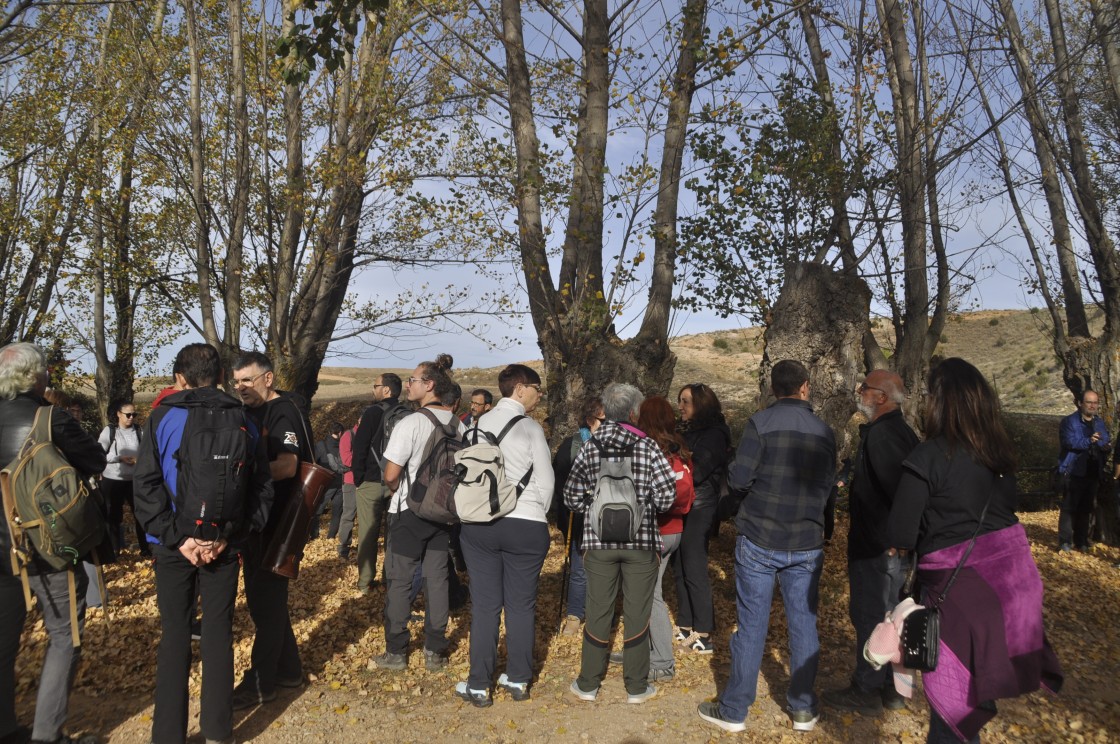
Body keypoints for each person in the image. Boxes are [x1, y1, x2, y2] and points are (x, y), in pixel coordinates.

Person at [886, 358, 1063, 743]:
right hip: (1012, 590)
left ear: (940, 402)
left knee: (951, 715)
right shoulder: (999, 457)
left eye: (930, 394)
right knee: (969, 697)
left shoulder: (928, 457)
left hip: (961, 595)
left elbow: (900, 530)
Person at [133, 343, 273, 744]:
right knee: (217, 634)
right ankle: (217, 731)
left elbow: (145, 485)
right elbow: (261, 488)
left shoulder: (163, 415)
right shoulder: (244, 418)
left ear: (180, 377)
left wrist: (178, 538)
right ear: (221, 376)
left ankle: (168, 735)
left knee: (175, 633)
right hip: (222, 547)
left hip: (173, 546)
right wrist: (229, 537)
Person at [698, 360, 836, 734]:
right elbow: (827, 488)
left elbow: (739, 479)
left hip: (760, 537)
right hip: (806, 541)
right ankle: (803, 709)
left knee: (751, 624)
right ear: (805, 387)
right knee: (804, 624)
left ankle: (735, 710)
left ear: (774, 388)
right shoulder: (825, 432)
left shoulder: (760, 424)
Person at [0, 342, 106, 744]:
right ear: (36, 376)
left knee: (3, 644)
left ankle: (6, 727)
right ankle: (47, 735)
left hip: (0, 554)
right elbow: (95, 460)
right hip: (48, 548)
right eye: (45, 371)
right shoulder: (50, 419)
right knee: (64, 637)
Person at [563, 383, 675, 705]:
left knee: (597, 610)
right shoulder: (649, 447)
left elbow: (571, 497)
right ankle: (637, 687)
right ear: (633, 412)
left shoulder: (590, 445)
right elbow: (668, 497)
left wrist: (593, 506)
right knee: (637, 613)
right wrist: (645, 503)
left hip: (598, 545)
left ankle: (588, 684)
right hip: (641, 544)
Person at [454, 364, 554, 707]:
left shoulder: (476, 425)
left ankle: (479, 684)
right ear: (522, 389)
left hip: (479, 524)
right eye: (537, 389)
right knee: (521, 605)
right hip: (525, 523)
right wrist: (535, 512)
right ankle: (518, 678)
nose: (539, 396)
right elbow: (546, 480)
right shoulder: (529, 428)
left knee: (484, 606)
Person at [823, 370, 919, 716]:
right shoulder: (895, 432)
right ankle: (892, 690)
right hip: (886, 545)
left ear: (881, 397)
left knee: (871, 618)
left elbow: (903, 492)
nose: (859, 392)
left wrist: (900, 537)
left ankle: (866, 688)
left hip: (880, 548)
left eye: (865, 388)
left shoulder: (884, 436)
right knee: (892, 618)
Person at [371, 354, 463, 671]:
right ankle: (434, 652)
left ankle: (397, 652)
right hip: (445, 512)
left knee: (400, 581)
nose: (408, 385)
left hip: (409, 512)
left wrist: (396, 490)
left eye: (413, 380)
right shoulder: (458, 425)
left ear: (430, 385)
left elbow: (390, 473)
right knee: (437, 581)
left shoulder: (410, 422)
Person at [229, 352, 310, 710]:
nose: (240, 387)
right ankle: (289, 671)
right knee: (268, 603)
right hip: (259, 523)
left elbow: (288, 465)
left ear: (268, 378)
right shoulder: (252, 412)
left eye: (246, 380)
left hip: (277, 524)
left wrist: (238, 478)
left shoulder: (282, 412)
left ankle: (260, 683)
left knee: (267, 604)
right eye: (235, 381)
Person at [636, 395, 695, 683]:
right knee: (653, 591)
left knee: (652, 595)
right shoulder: (680, 449)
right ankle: (648, 650)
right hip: (676, 530)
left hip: (655, 531)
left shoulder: (649, 450)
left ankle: (662, 661)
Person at [672, 383, 730, 655]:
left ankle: (704, 633)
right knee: (680, 566)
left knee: (694, 567)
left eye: (686, 402)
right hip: (684, 504)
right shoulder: (688, 431)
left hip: (701, 506)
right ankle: (686, 623)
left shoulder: (715, 434)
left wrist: (683, 461)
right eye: (680, 401)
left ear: (702, 405)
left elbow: (697, 471)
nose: (680, 406)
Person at [552, 397, 604, 637]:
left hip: (610, 519)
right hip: (580, 517)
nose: (608, 424)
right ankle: (574, 615)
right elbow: (560, 485)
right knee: (580, 567)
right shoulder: (571, 445)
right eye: (604, 420)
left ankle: (600, 614)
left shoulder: (616, 444)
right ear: (590, 419)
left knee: (605, 569)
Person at [348, 373, 405, 591]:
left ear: (387, 390)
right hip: (397, 483)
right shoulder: (408, 413)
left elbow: (360, 447)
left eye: (376, 386)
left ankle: (365, 582)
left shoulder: (372, 412)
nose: (373, 389)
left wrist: (358, 478)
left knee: (368, 535)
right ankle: (389, 579)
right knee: (393, 536)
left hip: (371, 481)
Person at [1057, 389, 1110, 552]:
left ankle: (1081, 541)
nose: (1092, 406)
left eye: (1095, 402)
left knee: (1086, 509)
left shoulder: (1099, 422)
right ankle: (1065, 542)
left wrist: (1103, 445)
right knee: (1069, 508)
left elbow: (1105, 440)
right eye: (1089, 402)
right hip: (1073, 472)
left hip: (1093, 472)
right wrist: (1089, 441)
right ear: (1080, 403)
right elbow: (1069, 442)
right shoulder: (1069, 422)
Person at [98, 399, 147, 556]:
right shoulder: (109, 431)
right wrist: (119, 458)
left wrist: (141, 461)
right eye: (128, 414)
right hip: (112, 480)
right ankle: (114, 550)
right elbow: (99, 454)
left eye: (134, 414)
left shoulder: (139, 431)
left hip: (134, 480)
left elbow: (147, 452)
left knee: (140, 514)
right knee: (113, 515)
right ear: (119, 414)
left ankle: (145, 549)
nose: (131, 417)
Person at [311, 422, 346, 540]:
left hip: (325, 483)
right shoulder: (344, 444)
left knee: (317, 510)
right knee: (337, 512)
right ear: (340, 433)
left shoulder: (321, 445)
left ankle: (314, 535)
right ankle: (331, 537)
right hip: (341, 482)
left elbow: (313, 462)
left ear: (330, 432)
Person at [337, 419, 360, 560]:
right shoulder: (348, 435)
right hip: (350, 481)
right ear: (359, 420)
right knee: (348, 515)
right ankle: (343, 548)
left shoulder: (370, 433)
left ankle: (363, 548)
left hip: (365, 481)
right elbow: (347, 459)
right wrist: (364, 459)